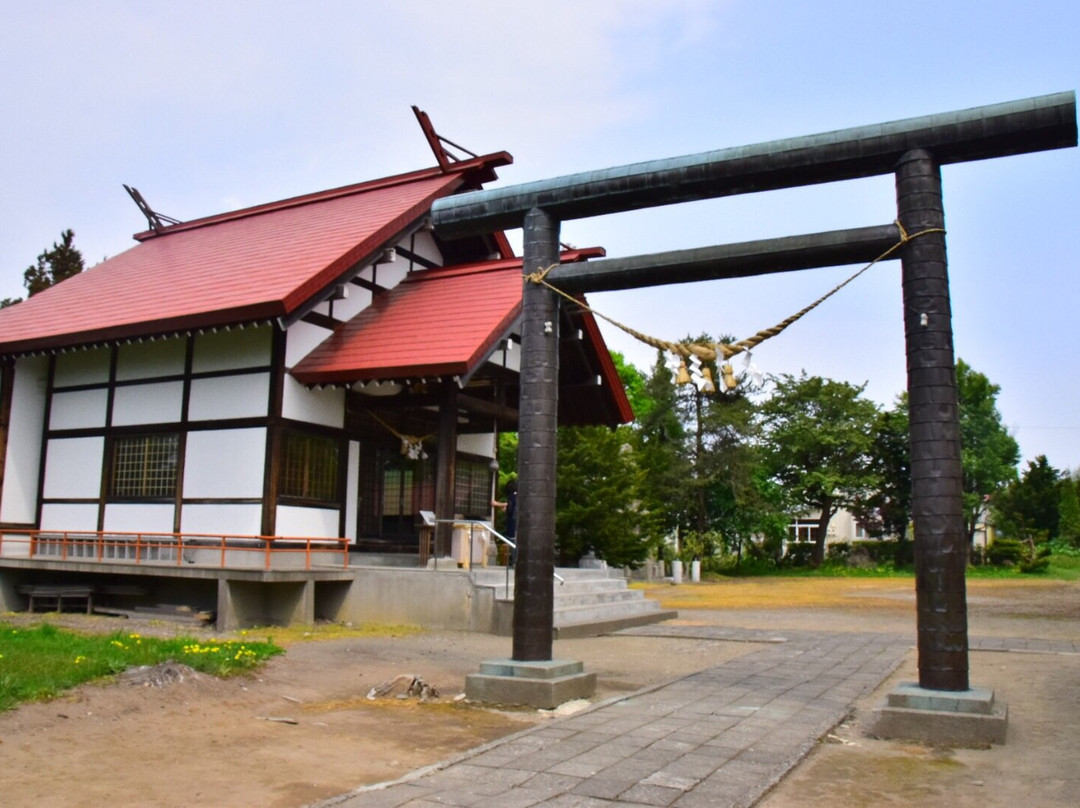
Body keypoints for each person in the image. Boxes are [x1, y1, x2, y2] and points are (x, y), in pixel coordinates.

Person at [492, 479, 518, 565]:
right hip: (519, 524)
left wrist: (497, 505)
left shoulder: (511, 497)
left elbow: (509, 509)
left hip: (512, 523)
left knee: (512, 542)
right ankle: (515, 562)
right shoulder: (519, 496)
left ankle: (514, 562)